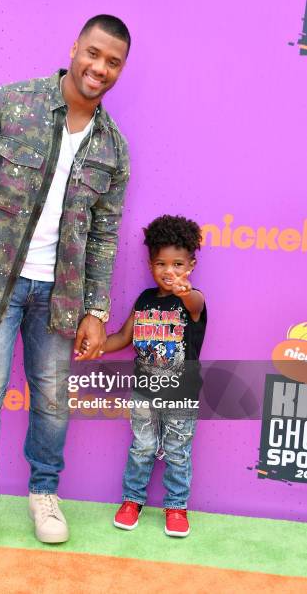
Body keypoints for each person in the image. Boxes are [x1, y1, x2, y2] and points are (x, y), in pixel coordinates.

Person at [0, 14, 131, 561]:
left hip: (61, 295)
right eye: (94, 53)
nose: (100, 68)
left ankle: (44, 495)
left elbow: (104, 236)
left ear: (121, 69)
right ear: (75, 47)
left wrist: (96, 308)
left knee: (52, 400)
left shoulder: (114, 149)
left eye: (113, 61)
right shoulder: (10, 102)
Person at [101, 215, 207, 537]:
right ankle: (132, 500)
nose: (169, 271)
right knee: (142, 447)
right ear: (150, 265)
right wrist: (97, 347)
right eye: (161, 263)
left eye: (178, 264)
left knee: (177, 451)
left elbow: (195, 301)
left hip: (181, 394)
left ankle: (176, 506)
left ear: (191, 264)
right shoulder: (145, 300)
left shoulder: (193, 301)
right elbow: (122, 336)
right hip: (145, 392)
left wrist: (185, 290)